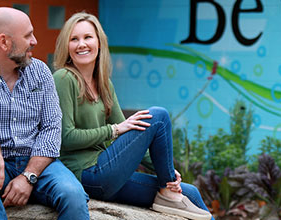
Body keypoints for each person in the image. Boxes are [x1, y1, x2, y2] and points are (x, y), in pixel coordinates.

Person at [52, 12, 212, 220]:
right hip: (85, 174)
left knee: (190, 193)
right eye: (74, 39)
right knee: (159, 116)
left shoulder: (104, 84)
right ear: (67, 46)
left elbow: (133, 132)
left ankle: (168, 189)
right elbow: (66, 137)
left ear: (99, 43)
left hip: (109, 175)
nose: (81, 44)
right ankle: (168, 192)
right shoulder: (63, 78)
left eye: (87, 37)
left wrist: (167, 172)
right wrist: (114, 130)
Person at [0, 7, 89, 220]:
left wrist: (28, 176)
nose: (35, 41)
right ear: (4, 42)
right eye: (28, 35)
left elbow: (52, 128)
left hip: (38, 165)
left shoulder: (40, 71)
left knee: (73, 195)